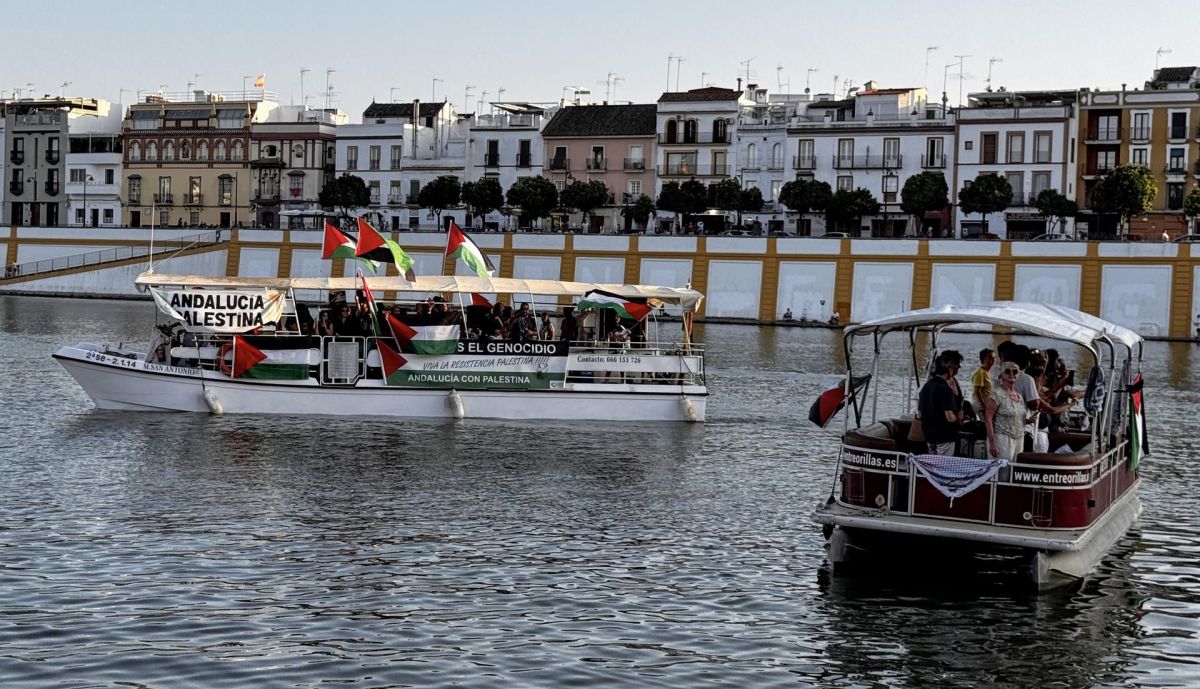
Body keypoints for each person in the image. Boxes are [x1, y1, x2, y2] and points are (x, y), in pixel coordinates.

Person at [918, 353, 962, 455]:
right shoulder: (945, 389)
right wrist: (958, 417)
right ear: (950, 369)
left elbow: (920, 414)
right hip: (945, 437)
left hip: (929, 436)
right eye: (956, 367)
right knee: (943, 468)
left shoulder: (926, 386)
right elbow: (950, 417)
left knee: (932, 467)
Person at [985, 362, 1027, 461]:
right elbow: (988, 419)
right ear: (1001, 375)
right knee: (1002, 472)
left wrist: (1028, 420)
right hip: (1002, 438)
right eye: (1007, 371)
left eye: (1015, 371)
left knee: (1014, 469)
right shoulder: (996, 394)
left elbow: (1016, 417)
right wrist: (992, 443)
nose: (1011, 374)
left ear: (1018, 375)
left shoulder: (1019, 396)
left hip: (1019, 438)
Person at [972, 348, 995, 414]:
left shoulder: (986, 372)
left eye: (994, 358)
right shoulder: (980, 373)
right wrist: (985, 406)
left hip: (985, 403)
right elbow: (978, 391)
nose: (993, 360)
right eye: (990, 358)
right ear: (982, 359)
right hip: (980, 404)